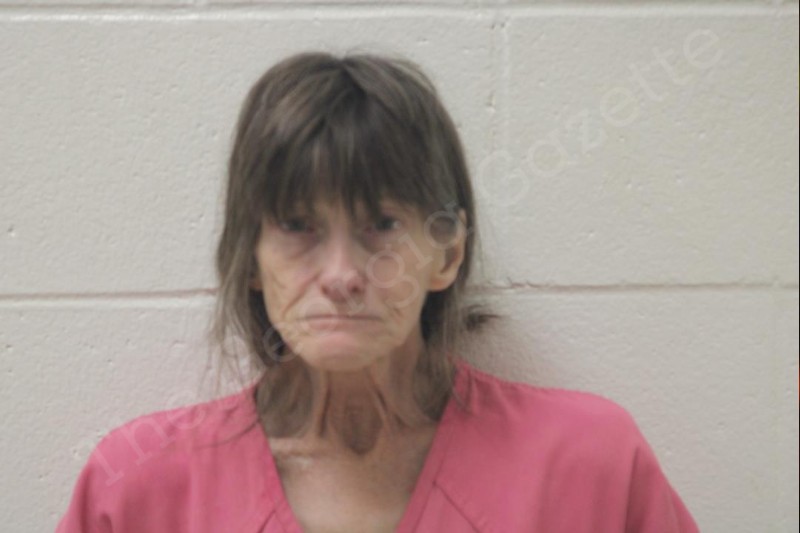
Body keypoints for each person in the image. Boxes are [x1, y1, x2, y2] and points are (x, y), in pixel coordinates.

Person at [56, 51, 699, 532]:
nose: (342, 274)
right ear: (249, 259)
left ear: (447, 253)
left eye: (383, 224)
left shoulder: (590, 466)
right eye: (297, 225)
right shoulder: (137, 489)